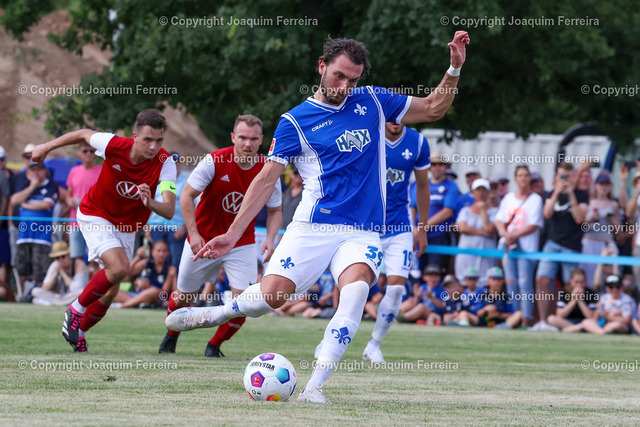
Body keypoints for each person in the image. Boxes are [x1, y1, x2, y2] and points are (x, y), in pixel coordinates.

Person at [166, 32, 470, 403]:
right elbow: (266, 181)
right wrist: (232, 234)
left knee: (356, 291)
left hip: (363, 231)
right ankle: (218, 313)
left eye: (353, 80)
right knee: (269, 298)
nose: (345, 86)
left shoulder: (373, 100)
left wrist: (454, 69)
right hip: (313, 226)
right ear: (322, 67)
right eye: (339, 76)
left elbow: (434, 108)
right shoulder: (295, 121)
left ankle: (315, 387)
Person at [32, 109, 177, 352]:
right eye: (148, 139)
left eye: (159, 140)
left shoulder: (165, 163)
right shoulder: (113, 144)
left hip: (127, 227)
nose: (154, 146)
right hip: (96, 214)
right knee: (119, 268)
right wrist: (46, 147)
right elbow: (83, 133)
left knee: (111, 292)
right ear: (134, 136)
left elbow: (169, 210)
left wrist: (150, 202)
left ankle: (79, 333)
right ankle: (75, 309)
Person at [158, 114, 282, 357]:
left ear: (261, 140)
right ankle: (171, 335)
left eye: (253, 139)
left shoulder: (268, 169)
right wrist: (194, 234)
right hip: (203, 240)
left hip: (241, 243)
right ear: (233, 137)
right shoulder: (214, 160)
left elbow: (275, 210)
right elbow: (186, 196)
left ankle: (214, 346)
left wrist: (270, 238)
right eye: (243, 138)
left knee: (246, 302)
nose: (247, 144)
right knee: (183, 297)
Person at [361, 122, 430, 363]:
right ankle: (331, 338)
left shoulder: (418, 142)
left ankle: (374, 345)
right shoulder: (369, 134)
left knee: (397, 288)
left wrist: (422, 228)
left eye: (399, 116)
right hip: (367, 225)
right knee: (355, 287)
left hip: (400, 227)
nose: (395, 121)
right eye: (390, 116)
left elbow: (423, 186)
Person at [534, 162, 588, 325]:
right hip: (552, 244)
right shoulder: (551, 194)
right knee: (541, 280)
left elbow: (579, 218)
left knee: (569, 285)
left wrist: (571, 194)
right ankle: (543, 321)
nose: (564, 179)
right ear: (556, 177)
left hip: (571, 246)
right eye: (561, 176)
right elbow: (547, 213)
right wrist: (557, 192)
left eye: (567, 176)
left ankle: (564, 322)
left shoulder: (581, 195)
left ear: (573, 177)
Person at [495, 165, 543, 327]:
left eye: (526, 175)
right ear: (515, 179)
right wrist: (504, 234)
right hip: (508, 246)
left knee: (524, 283)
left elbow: (534, 224)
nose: (523, 178)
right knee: (511, 282)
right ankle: (516, 315)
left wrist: (513, 236)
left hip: (526, 248)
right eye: (520, 175)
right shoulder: (509, 198)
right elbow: (499, 220)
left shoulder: (535, 199)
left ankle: (526, 318)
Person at [11, 162, 59, 290]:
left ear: (45, 171)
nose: (36, 173)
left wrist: (25, 205)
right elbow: (15, 200)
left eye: (39, 169)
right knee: (22, 268)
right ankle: (23, 295)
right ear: (29, 172)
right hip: (24, 235)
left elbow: (46, 204)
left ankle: (37, 293)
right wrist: (32, 186)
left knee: (41, 268)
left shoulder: (51, 186)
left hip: (42, 236)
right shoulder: (25, 184)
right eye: (33, 170)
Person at [418, 152, 459, 272]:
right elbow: (412, 207)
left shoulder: (451, 186)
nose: (437, 167)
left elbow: (447, 211)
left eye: (441, 164)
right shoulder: (421, 184)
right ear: (429, 167)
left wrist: (423, 227)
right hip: (418, 234)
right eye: (434, 164)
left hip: (439, 234)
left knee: (434, 271)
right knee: (417, 270)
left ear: (446, 167)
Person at [66, 142, 102, 273]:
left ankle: (96, 283)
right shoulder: (74, 171)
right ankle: (78, 283)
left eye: (91, 151)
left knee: (97, 256)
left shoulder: (101, 171)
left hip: (95, 221)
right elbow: (68, 194)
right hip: (75, 221)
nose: (88, 154)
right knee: (77, 256)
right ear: (79, 153)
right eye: (85, 151)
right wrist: (69, 200)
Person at [147, 151, 188, 265]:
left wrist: (185, 227)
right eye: (171, 163)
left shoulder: (187, 182)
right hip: (155, 226)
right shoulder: (156, 180)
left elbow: (193, 207)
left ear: (180, 164)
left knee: (176, 262)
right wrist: (146, 226)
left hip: (177, 227)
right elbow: (148, 203)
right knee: (151, 262)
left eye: (176, 162)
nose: (174, 165)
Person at [580, 171, 620, 287]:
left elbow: (618, 231)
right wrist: (591, 219)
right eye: (601, 184)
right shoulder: (588, 202)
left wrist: (610, 219)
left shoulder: (614, 204)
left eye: (606, 184)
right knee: (589, 277)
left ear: (610, 186)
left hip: (606, 244)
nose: (604, 187)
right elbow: (580, 227)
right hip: (589, 243)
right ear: (596, 186)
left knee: (610, 277)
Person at [455, 178, 498, 286]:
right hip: (466, 254)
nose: (481, 193)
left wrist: (483, 210)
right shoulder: (465, 211)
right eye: (478, 190)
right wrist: (483, 233)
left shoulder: (494, 211)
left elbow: (489, 228)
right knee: (465, 283)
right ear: (473, 192)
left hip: (485, 256)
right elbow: (462, 228)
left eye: (484, 190)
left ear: (488, 192)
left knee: (485, 284)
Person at [113, 239, 176, 308]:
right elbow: (129, 272)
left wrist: (149, 286)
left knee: (153, 291)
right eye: (158, 251)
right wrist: (138, 257)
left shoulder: (171, 268)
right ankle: (138, 304)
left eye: (164, 251)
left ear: (167, 253)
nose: (161, 254)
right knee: (112, 291)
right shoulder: (147, 262)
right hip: (139, 296)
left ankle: (122, 305)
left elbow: (164, 292)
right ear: (152, 252)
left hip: (156, 297)